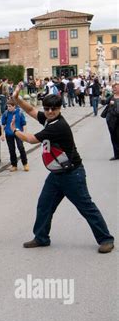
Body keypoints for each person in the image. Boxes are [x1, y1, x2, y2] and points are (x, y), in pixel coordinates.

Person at [11, 84, 114, 253]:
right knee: (44, 205)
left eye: (54, 108)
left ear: (59, 108)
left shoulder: (57, 126)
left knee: (86, 207)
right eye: (47, 108)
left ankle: (106, 239)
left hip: (73, 174)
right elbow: (30, 110)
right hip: (57, 173)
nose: (50, 111)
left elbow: (30, 139)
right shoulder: (50, 119)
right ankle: (41, 237)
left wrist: (14, 130)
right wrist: (17, 99)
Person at [0, 97, 29, 172]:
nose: (8, 108)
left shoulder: (19, 113)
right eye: (7, 106)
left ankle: (25, 164)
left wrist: (24, 134)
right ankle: (14, 165)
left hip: (18, 133)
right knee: (11, 150)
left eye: (10, 106)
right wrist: (2, 134)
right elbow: (2, 125)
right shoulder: (5, 113)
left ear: (14, 106)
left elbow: (24, 124)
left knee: (21, 148)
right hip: (9, 134)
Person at [101, 83, 119, 160]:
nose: (114, 89)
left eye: (116, 88)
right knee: (114, 137)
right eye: (113, 88)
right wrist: (103, 93)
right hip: (111, 121)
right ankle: (116, 155)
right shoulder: (111, 97)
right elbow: (103, 102)